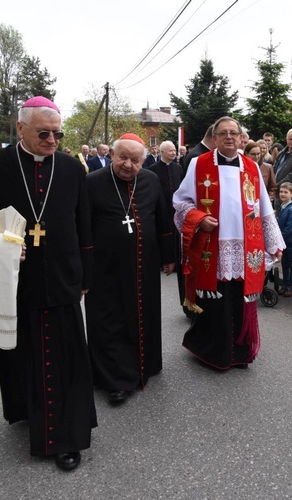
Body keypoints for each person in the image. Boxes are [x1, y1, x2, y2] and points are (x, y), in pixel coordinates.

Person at [0, 96, 95, 472]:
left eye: (58, 134)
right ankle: (25, 409)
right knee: (20, 352)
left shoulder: (71, 168)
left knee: (64, 357)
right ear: (20, 129)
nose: (52, 141)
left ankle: (65, 436)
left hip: (63, 277)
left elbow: (85, 228)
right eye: (43, 133)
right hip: (13, 281)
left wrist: (86, 276)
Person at [172, 116, 285, 370]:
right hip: (214, 244)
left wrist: (274, 243)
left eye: (234, 133)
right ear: (214, 139)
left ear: (241, 137)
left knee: (239, 299)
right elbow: (180, 201)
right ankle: (213, 352)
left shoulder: (252, 167)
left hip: (246, 246)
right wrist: (199, 219)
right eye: (223, 134)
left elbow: (264, 207)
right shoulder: (198, 164)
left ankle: (239, 351)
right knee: (216, 302)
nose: (229, 138)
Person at [85, 134, 175, 404]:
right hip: (105, 268)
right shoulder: (91, 182)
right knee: (109, 321)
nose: (127, 164)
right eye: (122, 157)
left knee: (143, 313)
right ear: (111, 155)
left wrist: (169, 255)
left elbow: (162, 217)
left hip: (143, 265)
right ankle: (115, 380)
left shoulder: (150, 180)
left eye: (135, 160)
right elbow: (83, 228)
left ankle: (146, 364)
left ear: (143, 161)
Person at [146, 140, 186, 311]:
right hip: (161, 208)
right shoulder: (153, 170)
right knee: (163, 234)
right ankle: (164, 261)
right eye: (170, 151)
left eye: (174, 150)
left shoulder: (178, 168)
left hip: (176, 208)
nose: (173, 153)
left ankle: (176, 260)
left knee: (177, 236)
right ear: (161, 152)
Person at [276, 181, 292, 297]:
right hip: (284, 242)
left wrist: (279, 238)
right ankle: (285, 284)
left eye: (286, 192)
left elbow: (289, 228)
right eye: (281, 192)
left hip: (290, 242)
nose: (282, 194)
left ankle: (291, 285)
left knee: (291, 264)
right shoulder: (282, 207)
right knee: (284, 264)